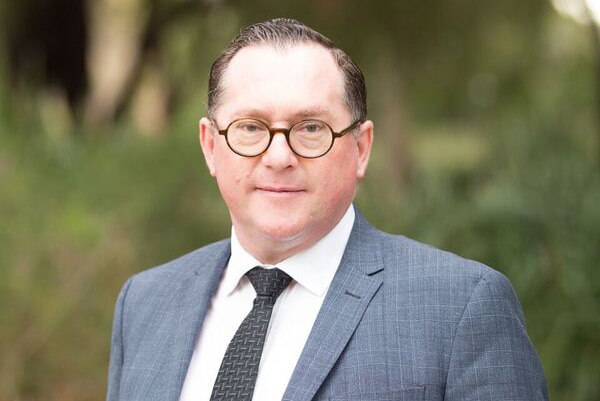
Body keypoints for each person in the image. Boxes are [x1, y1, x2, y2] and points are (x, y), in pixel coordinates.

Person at [106, 18, 548, 401]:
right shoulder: (143, 304)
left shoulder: (460, 309)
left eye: (311, 127)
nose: (279, 157)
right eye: (250, 127)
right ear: (210, 145)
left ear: (360, 148)